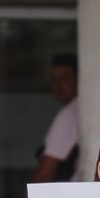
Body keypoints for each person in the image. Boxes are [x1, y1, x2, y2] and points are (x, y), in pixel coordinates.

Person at [33, 53, 81, 184]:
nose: (58, 86)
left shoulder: (69, 114)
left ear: (78, 79)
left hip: (69, 197)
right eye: (54, 79)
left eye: (65, 79)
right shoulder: (79, 108)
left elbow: (46, 173)